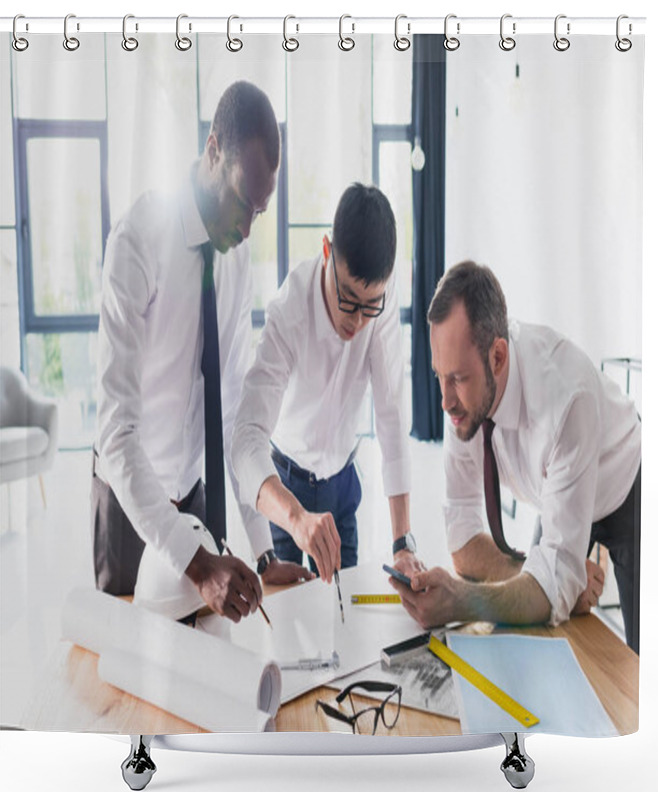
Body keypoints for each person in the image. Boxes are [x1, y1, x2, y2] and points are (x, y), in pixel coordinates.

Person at [92, 80, 312, 624]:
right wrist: (197, 564)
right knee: (124, 687)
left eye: (259, 213)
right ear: (213, 148)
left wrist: (262, 553)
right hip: (127, 503)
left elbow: (233, 413)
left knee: (194, 673)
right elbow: (115, 435)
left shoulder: (234, 258)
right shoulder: (138, 240)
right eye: (242, 202)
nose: (246, 227)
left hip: (194, 500)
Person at [390, 261, 641, 653]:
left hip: (626, 484)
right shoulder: (461, 405)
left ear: (498, 357)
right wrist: (539, 575)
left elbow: (547, 584)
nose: (445, 400)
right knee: (545, 633)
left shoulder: (566, 399)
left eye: (457, 378)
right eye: (440, 375)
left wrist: (461, 600)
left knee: (642, 663)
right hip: (556, 486)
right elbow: (462, 535)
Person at [232, 184, 421, 584]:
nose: (356, 320)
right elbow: (246, 438)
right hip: (284, 484)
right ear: (326, 251)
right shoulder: (289, 310)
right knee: (287, 625)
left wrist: (403, 542)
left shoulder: (379, 302)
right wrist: (297, 517)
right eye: (348, 298)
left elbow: (391, 419)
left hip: (342, 485)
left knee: (347, 618)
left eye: (370, 306)